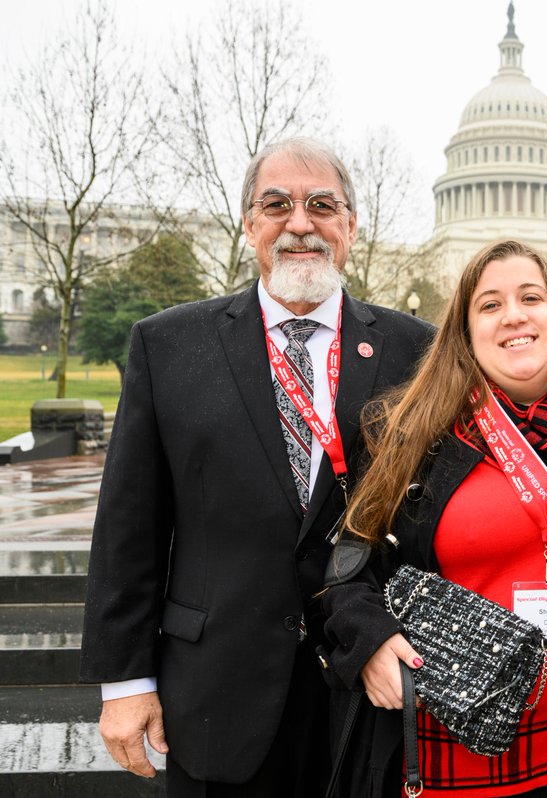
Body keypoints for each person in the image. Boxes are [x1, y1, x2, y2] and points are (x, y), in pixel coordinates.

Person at [79, 137, 433, 796]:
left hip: (364, 691)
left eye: (322, 206)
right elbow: (131, 525)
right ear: (249, 225)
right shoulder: (168, 345)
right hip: (217, 689)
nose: (300, 224)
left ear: (351, 227)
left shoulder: (416, 351)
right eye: (277, 206)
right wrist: (125, 682)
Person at [320, 239, 547, 797]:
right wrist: (367, 639)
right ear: (465, 332)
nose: (514, 315)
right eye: (489, 305)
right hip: (447, 748)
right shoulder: (418, 434)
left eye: (531, 297)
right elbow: (349, 563)